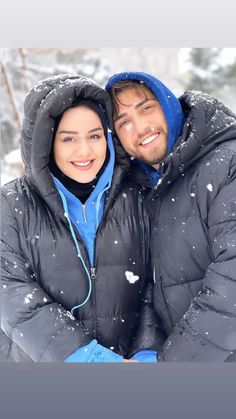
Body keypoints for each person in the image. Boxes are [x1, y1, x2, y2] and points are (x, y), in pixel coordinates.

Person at [1, 74, 165, 363]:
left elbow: (157, 284)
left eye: (94, 136)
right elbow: (12, 294)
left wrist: (147, 352)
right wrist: (89, 359)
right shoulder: (12, 205)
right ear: (46, 143)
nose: (85, 151)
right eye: (68, 139)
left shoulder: (138, 196)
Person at [106, 71, 236, 362]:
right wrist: (147, 349)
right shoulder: (144, 188)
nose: (140, 128)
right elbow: (152, 285)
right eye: (124, 122)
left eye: (146, 109)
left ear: (168, 105)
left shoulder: (228, 162)